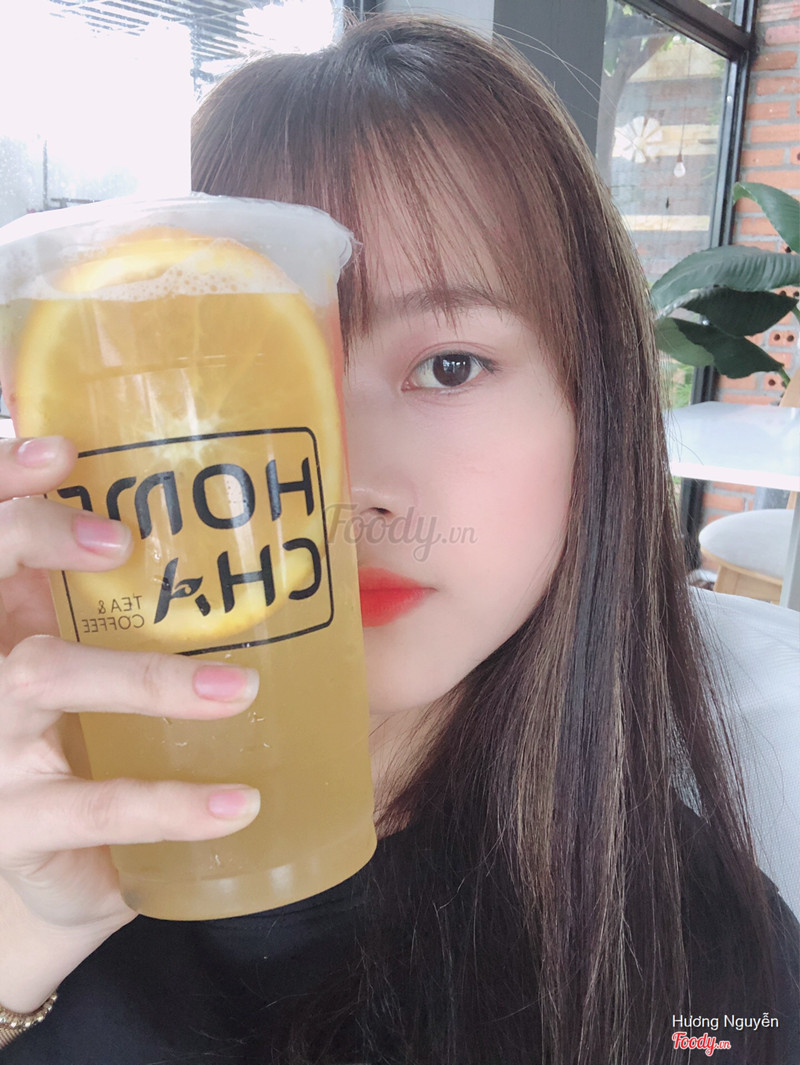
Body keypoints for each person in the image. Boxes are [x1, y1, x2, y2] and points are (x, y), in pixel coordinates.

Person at [0, 14, 797, 1065]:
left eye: (449, 366)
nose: (343, 488)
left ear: (593, 412)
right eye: (247, 382)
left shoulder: (714, 966)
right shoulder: (34, 807)